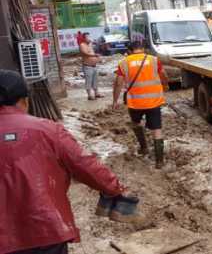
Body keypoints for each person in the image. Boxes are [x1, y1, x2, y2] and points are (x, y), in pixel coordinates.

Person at [0, 70, 128, 254]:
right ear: (25, 101)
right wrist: (114, 188)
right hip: (45, 229)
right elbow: (85, 164)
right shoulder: (48, 130)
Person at [112, 40, 169, 169]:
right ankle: (159, 161)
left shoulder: (123, 63)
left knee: (136, 123)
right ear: (143, 49)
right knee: (157, 130)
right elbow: (164, 75)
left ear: (130, 50)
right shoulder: (154, 60)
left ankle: (144, 148)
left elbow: (118, 83)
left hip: (135, 103)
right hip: (153, 101)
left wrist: (115, 100)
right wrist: (165, 84)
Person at [78, 33, 103, 100]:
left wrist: (98, 59)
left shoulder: (90, 45)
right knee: (88, 81)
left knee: (95, 80)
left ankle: (96, 93)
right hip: (87, 66)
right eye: (87, 37)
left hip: (94, 66)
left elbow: (92, 53)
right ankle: (89, 95)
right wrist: (94, 56)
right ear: (84, 38)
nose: (89, 38)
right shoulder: (82, 45)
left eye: (89, 36)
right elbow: (85, 53)